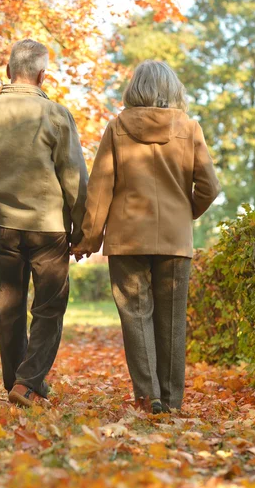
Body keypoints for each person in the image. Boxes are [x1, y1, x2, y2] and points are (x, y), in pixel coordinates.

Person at [0, 39, 88, 407]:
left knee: (9, 308)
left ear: (8, 71)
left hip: (4, 226)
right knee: (49, 309)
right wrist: (82, 229)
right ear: (43, 75)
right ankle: (26, 383)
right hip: (49, 228)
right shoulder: (56, 115)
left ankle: (19, 382)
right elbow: (75, 181)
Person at [73, 60, 220, 414]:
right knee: (172, 319)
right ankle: (172, 399)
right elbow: (210, 187)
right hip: (174, 238)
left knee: (136, 316)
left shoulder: (117, 128)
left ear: (135, 88)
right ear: (172, 89)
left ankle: (148, 396)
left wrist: (88, 239)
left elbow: (100, 189)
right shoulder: (190, 128)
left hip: (128, 239)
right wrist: (184, 215)